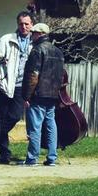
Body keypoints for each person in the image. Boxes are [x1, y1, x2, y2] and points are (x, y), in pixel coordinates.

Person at [0, 11, 34, 164]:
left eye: (27, 24)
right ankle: (5, 155)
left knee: (14, 117)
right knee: (1, 119)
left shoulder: (34, 43)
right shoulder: (7, 39)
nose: (24, 27)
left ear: (32, 25)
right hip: (4, 83)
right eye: (21, 24)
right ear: (17, 24)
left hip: (21, 86)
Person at [21, 22, 66, 166]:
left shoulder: (37, 50)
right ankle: (52, 158)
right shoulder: (58, 52)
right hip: (53, 95)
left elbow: (33, 75)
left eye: (34, 33)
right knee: (51, 126)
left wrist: (27, 96)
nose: (32, 35)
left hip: (38, 94)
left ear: (40, 34)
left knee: (35, 127)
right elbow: (61, 76)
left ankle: (32, 158)